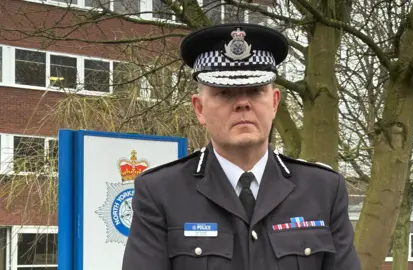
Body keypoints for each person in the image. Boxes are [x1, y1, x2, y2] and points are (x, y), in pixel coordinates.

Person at [122, 23, 361, 270]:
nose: (242, 104)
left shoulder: (323, 190)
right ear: (199, 108)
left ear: (275, 103)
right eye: (225, 93)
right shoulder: (161, 193)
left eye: (256, 91)